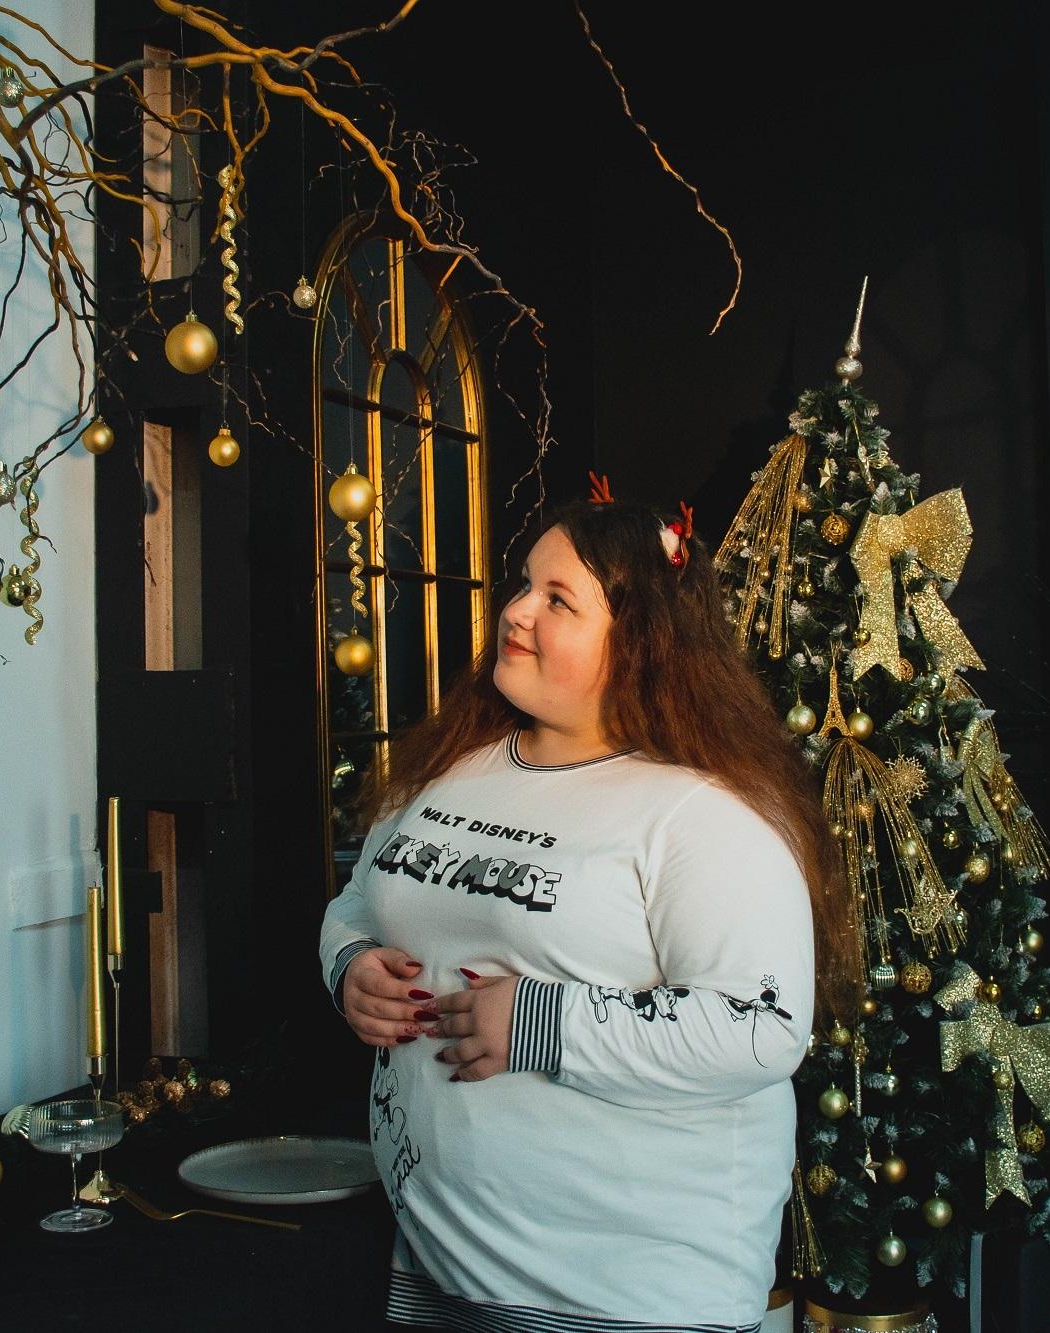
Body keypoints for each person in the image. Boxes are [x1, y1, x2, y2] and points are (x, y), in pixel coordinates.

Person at [318, 489, 859, 1333]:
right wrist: (350, 964)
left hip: (626, 1299)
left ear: (641, 640)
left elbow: (763, 1026)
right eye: (524, 584)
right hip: (442, 1274)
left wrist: (541, 1021)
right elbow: (360, 899)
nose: (517, 611)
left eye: (558, 600)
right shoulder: (454, 767)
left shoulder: (705, 814)